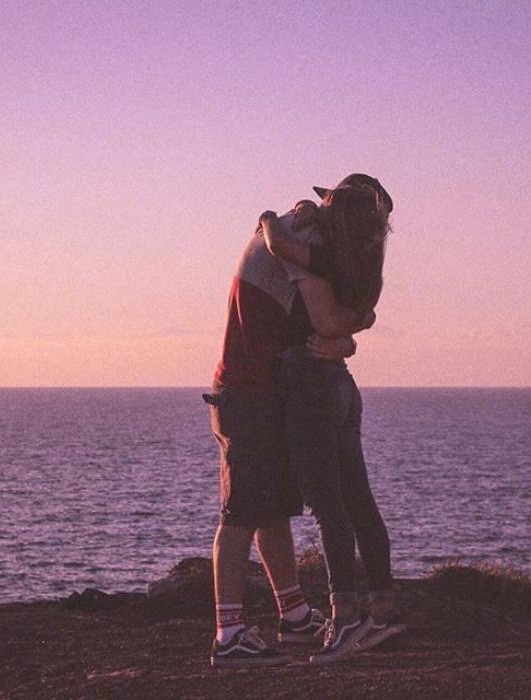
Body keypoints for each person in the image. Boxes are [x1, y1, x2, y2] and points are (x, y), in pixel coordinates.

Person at [204, 191, 373, 668]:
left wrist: (345, 339)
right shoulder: (303, 235)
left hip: (260, 388)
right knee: (240, 513)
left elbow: (313, 325)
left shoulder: (294, 229)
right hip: (248, 390)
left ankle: (294, 615)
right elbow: (327, 320)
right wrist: (356, 327)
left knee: (272, 509)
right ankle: (229, 636)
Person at [260, 174, 405, 664]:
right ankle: (383, 611)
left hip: (309, 382)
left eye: (328, 200)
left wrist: (267, 217)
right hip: (340, 383)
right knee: (359, 500)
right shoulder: (361, 264)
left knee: (328, 507)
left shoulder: (321, 256)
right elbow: (363, 315)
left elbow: (277, 244)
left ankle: (344, 619)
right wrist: (351, 336)